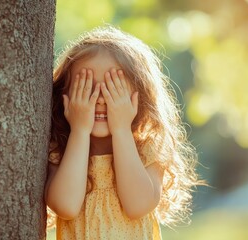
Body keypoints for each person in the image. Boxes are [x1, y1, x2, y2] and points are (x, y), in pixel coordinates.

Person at [45, 25, 200, 240]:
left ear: (140, 98)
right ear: (65, 97)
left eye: (112, 89)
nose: (99, 99)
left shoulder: (148, 149)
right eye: (86, 88)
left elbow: (137, 206)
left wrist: (121, 129)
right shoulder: (59, 150)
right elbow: (66, 206)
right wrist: (79, 131)